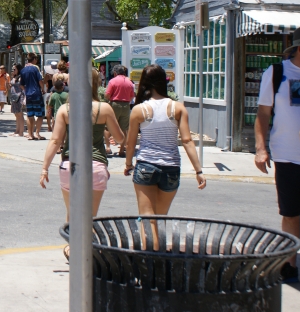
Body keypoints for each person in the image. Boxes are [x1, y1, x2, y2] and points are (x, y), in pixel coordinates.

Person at [40, 67, 125, 260]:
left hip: (70, 166)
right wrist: (113, 135)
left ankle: (73, 249)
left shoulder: (65, 110)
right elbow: (120, 138)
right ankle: (85, 251)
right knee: (89, 216)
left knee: (72, 213)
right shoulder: (104, 109)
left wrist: (44, 168)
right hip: (96, 166)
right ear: (96, 84)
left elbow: (55, 140)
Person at [124, 64, 206, 250]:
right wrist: (198, 171)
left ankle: (149, 259)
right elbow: (187, 140)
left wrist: (128, 164)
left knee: (147, 218)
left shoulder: (139, 110)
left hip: (146, 165)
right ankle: (158, 255)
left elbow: (131, 143)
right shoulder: (178, 108)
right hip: (171, 167)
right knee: (159, 218)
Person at [255, 25, 300, 283]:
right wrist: (261, 148)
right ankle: (290, 263)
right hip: (288, 152)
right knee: (291, 211)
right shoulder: (277, 72)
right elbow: (263, 113)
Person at [105, 64, 135, 158]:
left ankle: (108, 147)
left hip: (114, 104)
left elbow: (107, 95)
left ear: (115, 73)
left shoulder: (113, 81)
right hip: (126, 105)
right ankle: (121, 150)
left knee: (108, 126)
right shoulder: (129, 82)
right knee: (124, 128)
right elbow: (132, 96)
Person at [19, 52, 45, 140]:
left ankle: (30, 134)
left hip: (28, 95)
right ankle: (37, 133)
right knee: (40, 115)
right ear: (34, 59)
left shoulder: (23, 70)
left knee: (30, 115)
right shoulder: (35, 69)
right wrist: (43, 89)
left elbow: (21, 84)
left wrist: (26, 90)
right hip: (37, 93)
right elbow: (40, 80)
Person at [9, 64, 26, 137]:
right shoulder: (14, 77)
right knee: (16, 114)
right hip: (14, 97)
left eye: (14, 69)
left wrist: (25, 97)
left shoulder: (21, 77)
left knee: (20, 114)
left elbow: (24, 87)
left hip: (20, 96)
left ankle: (21, 132)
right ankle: (17, 131)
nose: (13, 70)